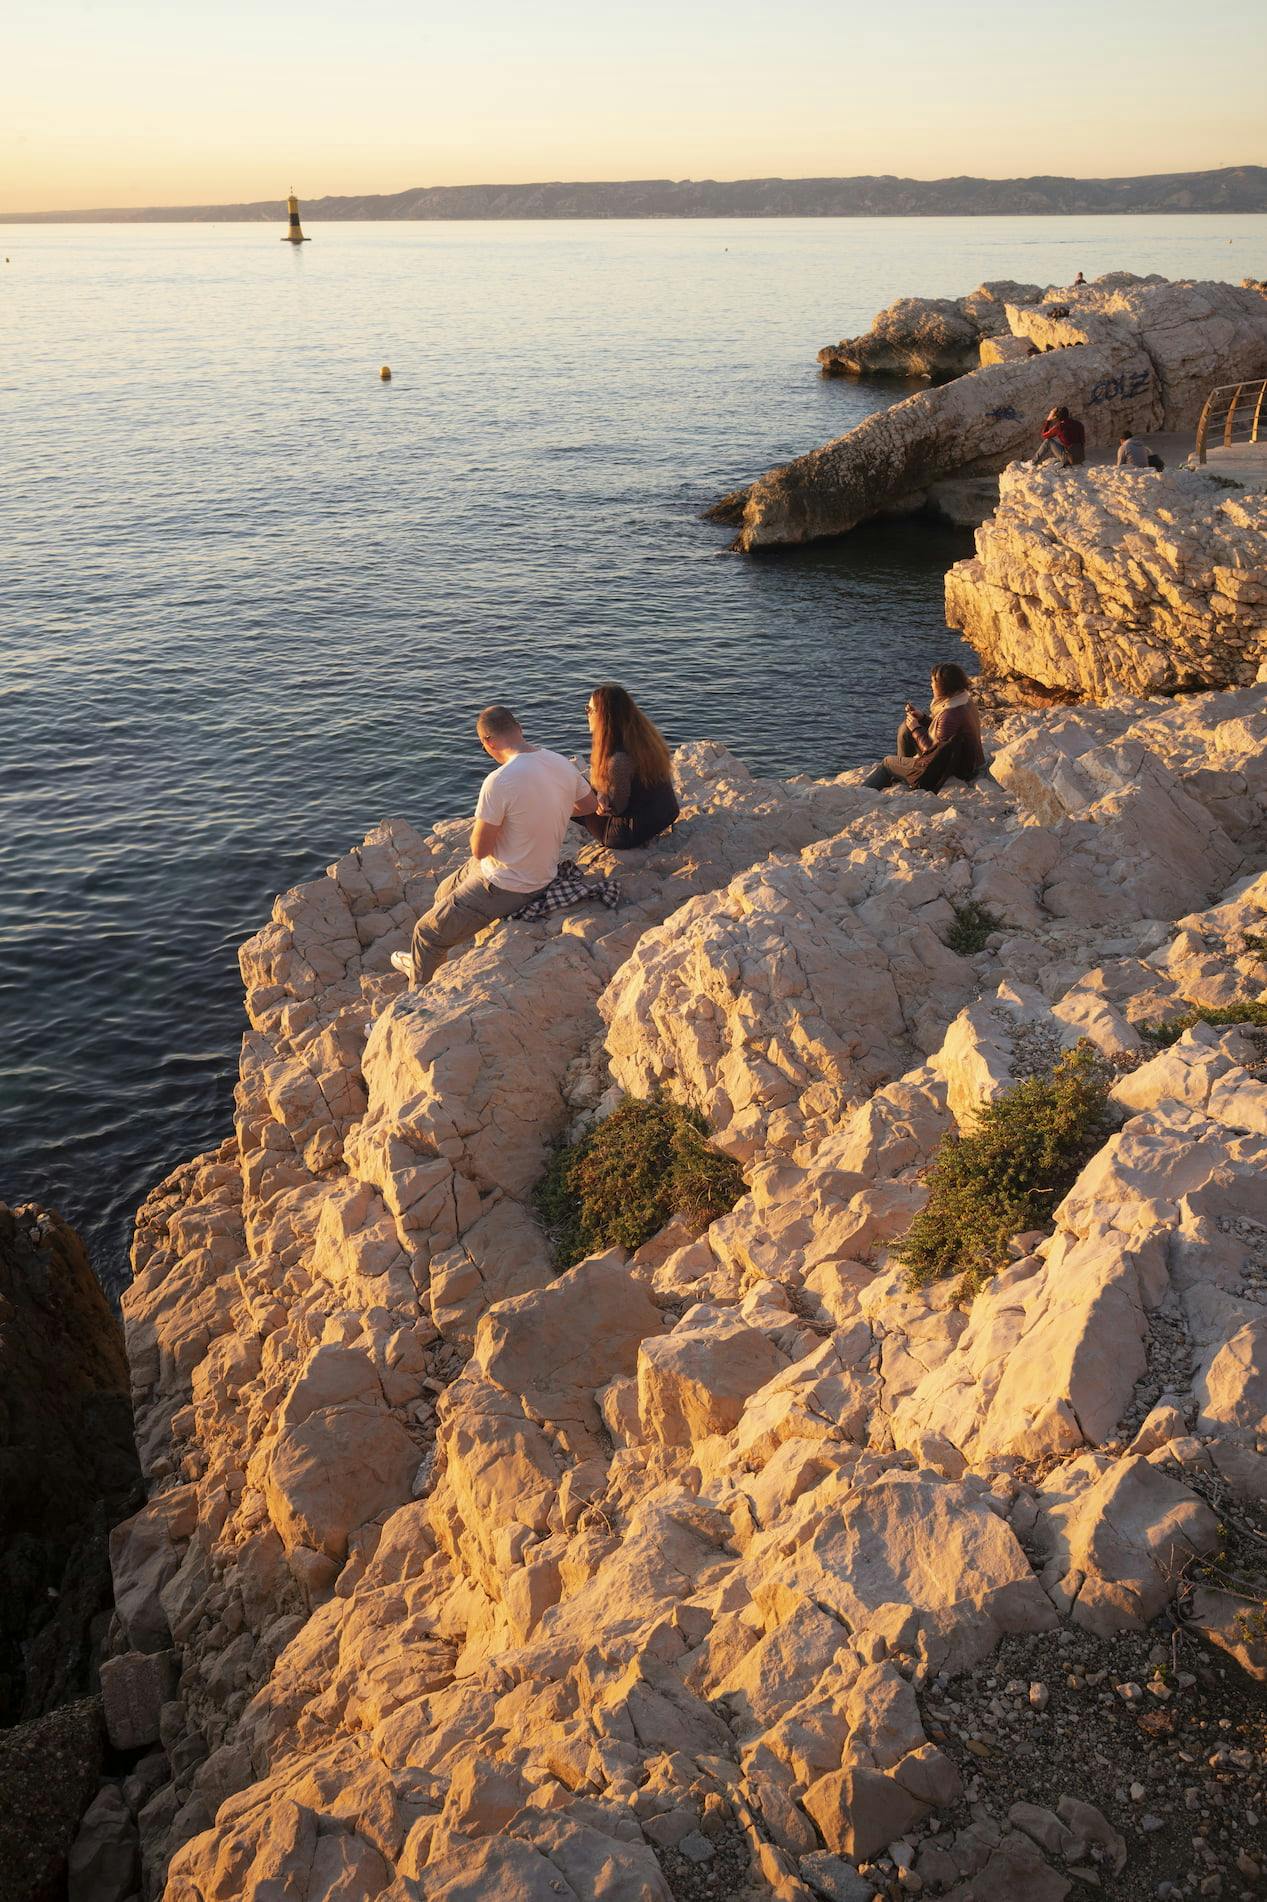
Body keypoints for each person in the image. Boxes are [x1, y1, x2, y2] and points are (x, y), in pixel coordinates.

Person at [391, 704, 597, 986]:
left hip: (508, 882)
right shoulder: (560, 762)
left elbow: (480, 849)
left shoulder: (499, 781)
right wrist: (548, 807)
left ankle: (416, 998)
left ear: (487, 742)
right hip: (536, 870)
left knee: (425, 934)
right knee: (443, 893)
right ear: (519, 729)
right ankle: (426, 961)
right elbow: (589, 805)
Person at [577, 683, 680, 850]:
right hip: (665, 814)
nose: (587, 714)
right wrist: (602, 793)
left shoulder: (618, 761)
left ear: (604, 715)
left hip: (626, 834)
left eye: (590, 710)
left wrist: (598, 804)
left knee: (567, 789)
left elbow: (617, 809)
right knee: (580, 787)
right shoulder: (643, 741)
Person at [864, 663, 986, 793]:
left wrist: (916, 729)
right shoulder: (963, 700)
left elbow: (934, 755)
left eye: (933, 681)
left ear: (944, 685)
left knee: (887, 762)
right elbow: (946, 737)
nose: (931, 685)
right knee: (906, 728)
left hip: (949, 770)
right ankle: (901, 773)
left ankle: (862, 792)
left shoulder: (950, 715)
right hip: (964, 761)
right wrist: (922, 719)